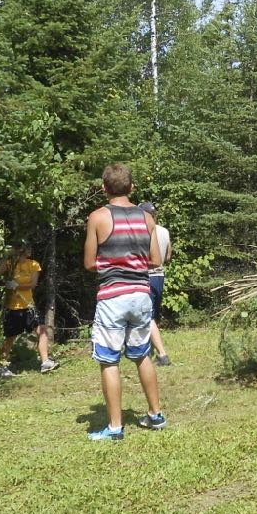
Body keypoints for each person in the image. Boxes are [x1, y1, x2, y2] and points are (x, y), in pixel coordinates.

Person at [83, 163, 166, 441]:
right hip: (141, 294)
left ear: (104, 188)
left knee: (109, 361)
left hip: (112, 296)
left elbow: (88, 263)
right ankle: (155, 415)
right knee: (142, 355)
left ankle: (115, 428)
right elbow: (155, 260)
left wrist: (112, 264)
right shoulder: (147, 219)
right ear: (132, 188)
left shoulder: (97, 217)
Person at [0, 241, 59, 376]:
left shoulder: (33, 264)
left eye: (30, 246)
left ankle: (45, 362)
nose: (30, 249)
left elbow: (33, 284)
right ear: (21, 249)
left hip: (29, 305)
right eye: (27, 247)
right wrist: (8, 256)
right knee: (10, 337)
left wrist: (16, 286)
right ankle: (1, 367)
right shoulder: (10, 264)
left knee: (42, 330)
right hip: (12, 306)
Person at [138, 201, 172, 366]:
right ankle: (144, 347)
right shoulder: (164, 231)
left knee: (148, 317)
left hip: (146, 277)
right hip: (159, 276)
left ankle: (162, 355)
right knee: (150, 316)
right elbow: (167, 257)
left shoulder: (143, 232)